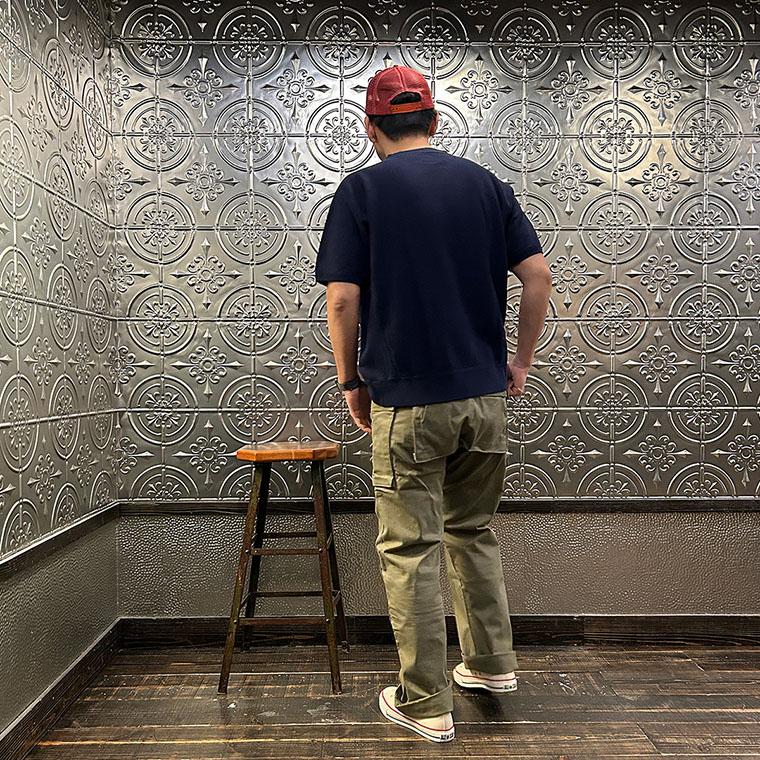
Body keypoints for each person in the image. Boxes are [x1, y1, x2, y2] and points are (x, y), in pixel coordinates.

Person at [314, 64, 553, 743]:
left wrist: (351, 382)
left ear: (371, 128)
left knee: (411, 549)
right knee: (472, 531)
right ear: (435, 122)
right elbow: (537, 277)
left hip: (409, 402)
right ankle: (492, 665)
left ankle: (425, 702)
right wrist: (519, 362)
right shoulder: (487, 186)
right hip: (483, 399)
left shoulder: (361, 190)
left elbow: (343, 299)